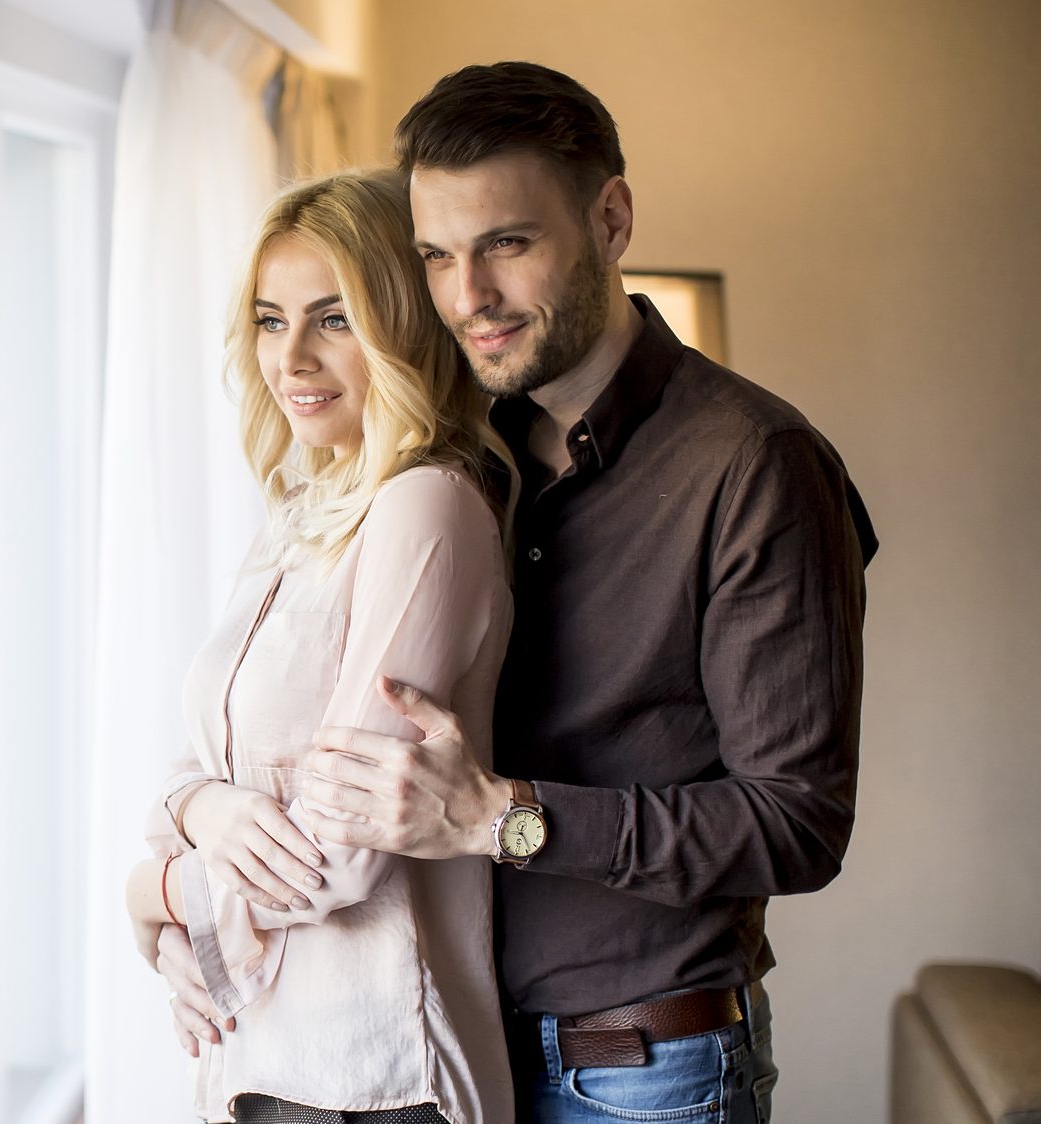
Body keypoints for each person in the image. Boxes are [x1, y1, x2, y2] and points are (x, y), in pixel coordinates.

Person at [165, 63, 878, 1123]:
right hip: (461, 1058)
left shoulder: (753, 463)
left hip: (640, 1070)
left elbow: (795, 823)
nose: (468, 296)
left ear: (610, 218)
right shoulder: (457, 454)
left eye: (507, 243)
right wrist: (184, 884)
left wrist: (509, 819)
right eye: (436, 256)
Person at [124, 168, 520, 1124]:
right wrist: (204, 811)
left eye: (332, 318)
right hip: (261, 1056)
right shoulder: (305, 508)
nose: (291, 355)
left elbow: (339, 854)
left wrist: (154, 892)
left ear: (399, 326)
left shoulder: (426, 507)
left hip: (378, 1081)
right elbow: (198, 759)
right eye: (268, 319)